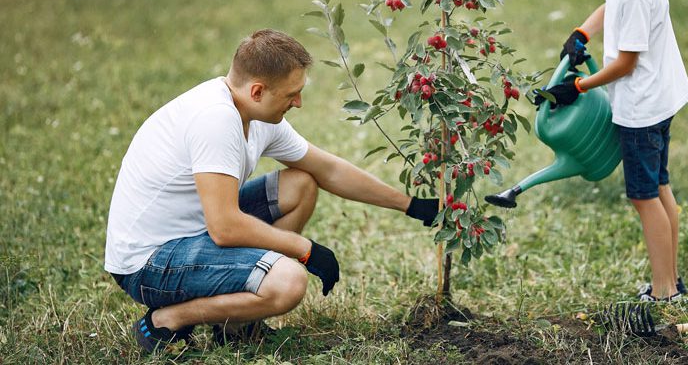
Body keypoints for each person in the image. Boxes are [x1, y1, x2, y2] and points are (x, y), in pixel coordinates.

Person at [104, 29, 438, 353]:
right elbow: (224, 227)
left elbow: (328, 169)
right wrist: (304, 249)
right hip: (148, 262)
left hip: (193, 235)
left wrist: (410, 205)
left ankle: (234, 324)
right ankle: (168, 319)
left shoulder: (257, 114)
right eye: (292, 94)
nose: (299, 102)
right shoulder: (215, 120)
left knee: (302, 184)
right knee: (288, 282)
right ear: (257, 91)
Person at [534, 0, 688, 302]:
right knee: (659, 187)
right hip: (659, 97)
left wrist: (579, 87)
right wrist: (582, 33)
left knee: (644, 197)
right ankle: (672, 281)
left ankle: (663, 291)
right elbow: (611, 0)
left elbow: (625, 64)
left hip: (640, 109)